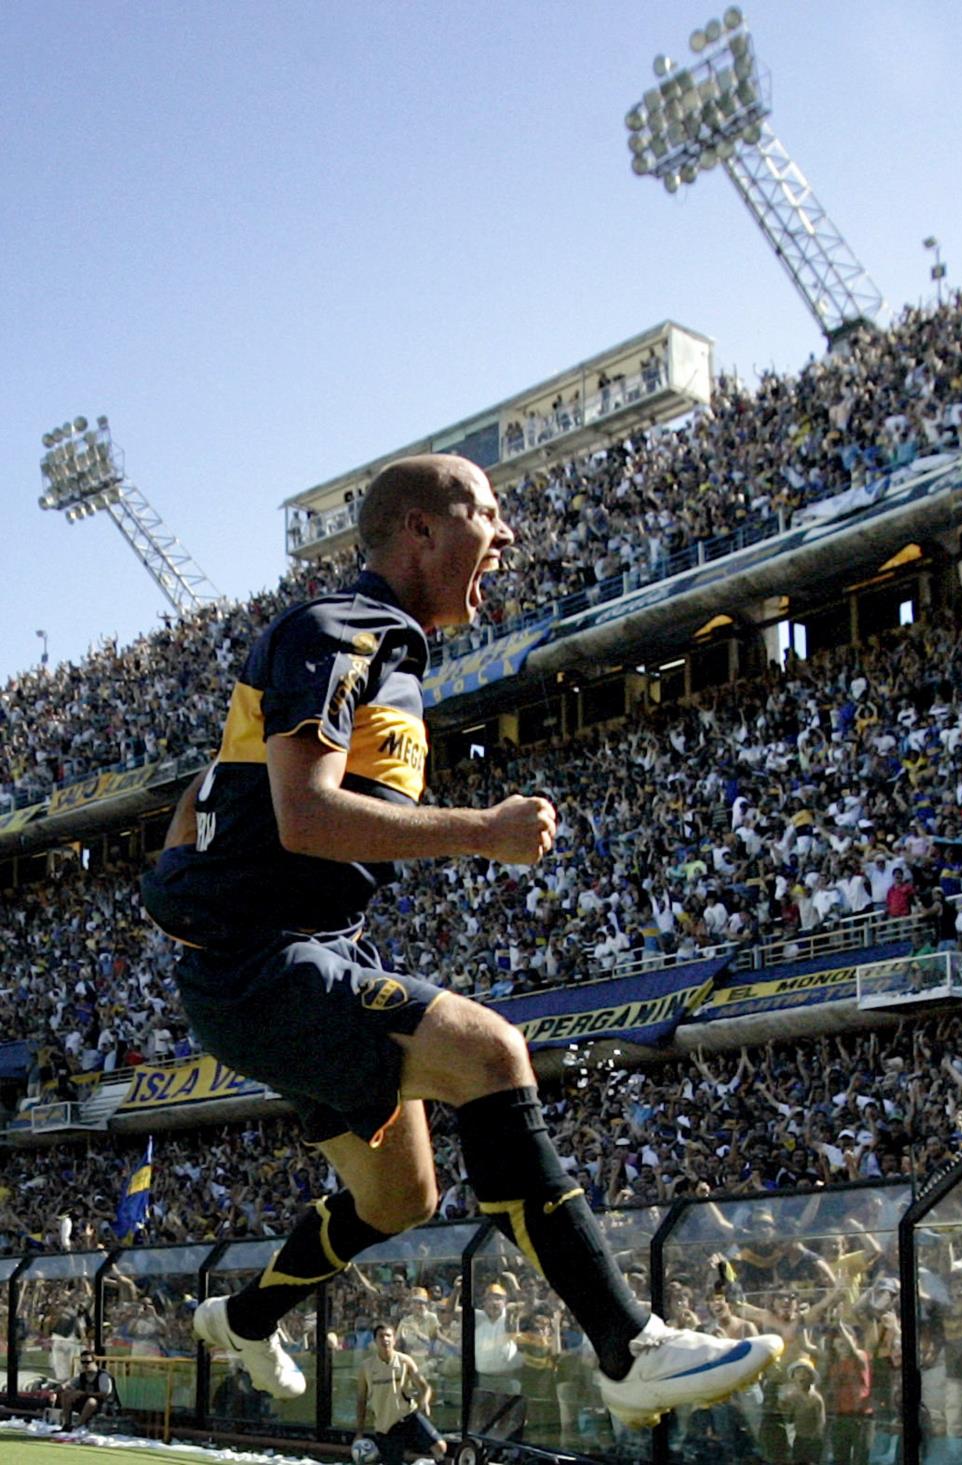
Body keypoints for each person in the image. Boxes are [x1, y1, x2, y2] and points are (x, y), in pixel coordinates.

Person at [139, 455, 780, 1426]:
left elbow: (215, 779)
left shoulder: (379, 652)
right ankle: (628, 1346)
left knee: (401, 1197)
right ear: (420, 532)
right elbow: (306, 814)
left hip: (308, 953)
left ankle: (244, 1317)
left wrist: (173, 871)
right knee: (490, 1050)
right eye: (486, 512)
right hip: (263, 964)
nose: (506, 535)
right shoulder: (336, 630)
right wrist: (480, 833)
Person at [356, 1321, 445, 1465]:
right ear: (375, 1341)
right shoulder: (366, 1367)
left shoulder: (405, 1361)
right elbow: (361, 1400)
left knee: (440, 1446)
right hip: (386, 1427)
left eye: (388, 1336)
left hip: (409, 1417)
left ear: (394, 1339)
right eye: (381, 1336)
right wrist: (359, 1432)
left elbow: (425, 1387)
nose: (385, 1339)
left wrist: (425, 1401)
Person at [55, 1354, 115, 1432]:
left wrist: (84, 1393)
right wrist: (58, 1390)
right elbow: (69, 1384)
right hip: (85, 1403)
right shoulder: (82, 1376)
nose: (85, 1365)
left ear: (94, 1362)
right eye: (83, 1362)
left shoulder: (103, 1375)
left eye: (87, 1362)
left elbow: (105, 1393)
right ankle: (67, 1425)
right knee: (65, 1395)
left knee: (91, 1401)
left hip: (104, 1405)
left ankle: (78, 1427)